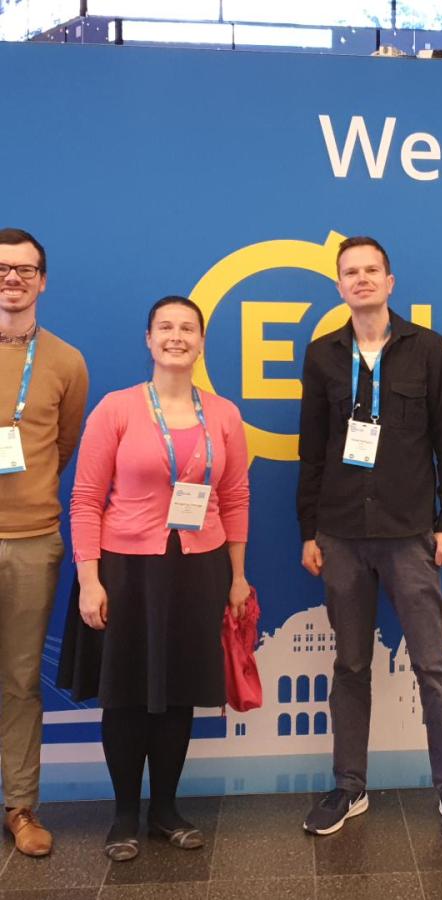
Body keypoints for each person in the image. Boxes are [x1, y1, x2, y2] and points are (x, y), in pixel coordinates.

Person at [297, 236, 442, 841]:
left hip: (409, 536)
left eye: (371, 270)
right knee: (350, 665)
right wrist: (309, 531)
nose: (361, 280)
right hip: (342, 534)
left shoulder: (427, 349)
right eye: (350, 272)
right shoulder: (324, 355)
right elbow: (312, 452)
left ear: (390, 281)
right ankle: (349, 786)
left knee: (432, 666)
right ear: (339, 286)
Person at [58, 296, 249, 862]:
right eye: (165, 327)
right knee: (126, 697)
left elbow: (235, 497)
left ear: (201, 342)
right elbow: (86, 499)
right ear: (148, 339)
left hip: (199, 568)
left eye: (187, 328)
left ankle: (165, 810)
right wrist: (90, 580)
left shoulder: (224, 414)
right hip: (126, 569)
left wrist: (237, 577)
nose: (176, 336)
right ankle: (123, 815)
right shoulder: (115, 410)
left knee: (180, 695)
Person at [0, 228, 88, 857]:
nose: (13, 279)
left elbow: (62, 449)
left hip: (33, 542)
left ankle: (21, 806)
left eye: (26, 270)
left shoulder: (65, 361)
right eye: (3, 269)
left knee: (21, 681)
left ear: (43, 281)